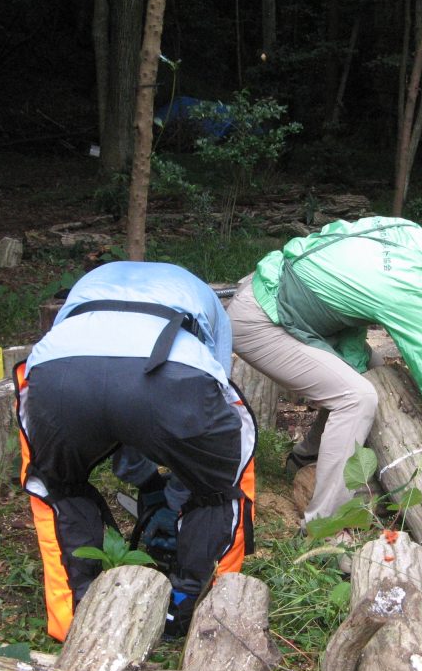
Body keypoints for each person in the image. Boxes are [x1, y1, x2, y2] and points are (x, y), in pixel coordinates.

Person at [13, 261, 257, 641]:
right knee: (219, 488)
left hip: (58, 374)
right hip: (174, 373)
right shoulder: (207, 301)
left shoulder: (87, 285)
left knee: (57, 485)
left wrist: (146, 481)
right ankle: (195, 611)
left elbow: (111, 406)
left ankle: (73, 617)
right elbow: (207, 409)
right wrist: (179, 492)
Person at [227, 216, 422, 529]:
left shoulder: (407, 232)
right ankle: (326, 524)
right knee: (357, 397)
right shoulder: (413, 287)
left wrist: (357, 362)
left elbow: (351, 290)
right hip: (262, 319)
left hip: (288, 304)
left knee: (379, 375)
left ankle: (307, 457)